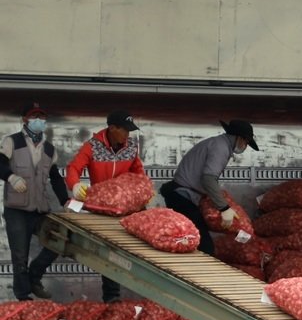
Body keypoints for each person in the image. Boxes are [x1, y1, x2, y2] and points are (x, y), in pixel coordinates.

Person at [67, 110, 146, 301]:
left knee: (122, 249)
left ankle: (120, 295)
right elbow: (74, 168)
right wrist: (75, 185)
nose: (128, 134)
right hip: (101, 205)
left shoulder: (131, 147)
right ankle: (112, 296)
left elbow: (138, 173)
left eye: (130, 131)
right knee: (106, 248)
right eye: (125, 130)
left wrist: (143, 192)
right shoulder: (93, 146)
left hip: (123, 206)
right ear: (112, 128)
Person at [1, 103, 69, 300]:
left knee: (57, 241)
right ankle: (23, 296)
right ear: (25, 119)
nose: (39, 120)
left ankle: (34, 275)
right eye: (34, 116)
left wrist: (65, 200)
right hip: (17, 210)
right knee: (19, 255)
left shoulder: (49, 149)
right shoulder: (11, 142)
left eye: (41, 116)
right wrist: (11, 177)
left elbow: (55, 178)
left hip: (40, 209)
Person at [161, 119, 258, 255]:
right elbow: (208, 179)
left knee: (193, 240)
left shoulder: (218, 143)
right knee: (204, 246)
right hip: (182, 196)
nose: (245, 146)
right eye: (246, 143)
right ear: (240, 138)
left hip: (185, 195)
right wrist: (224, 208)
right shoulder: (221, 147)